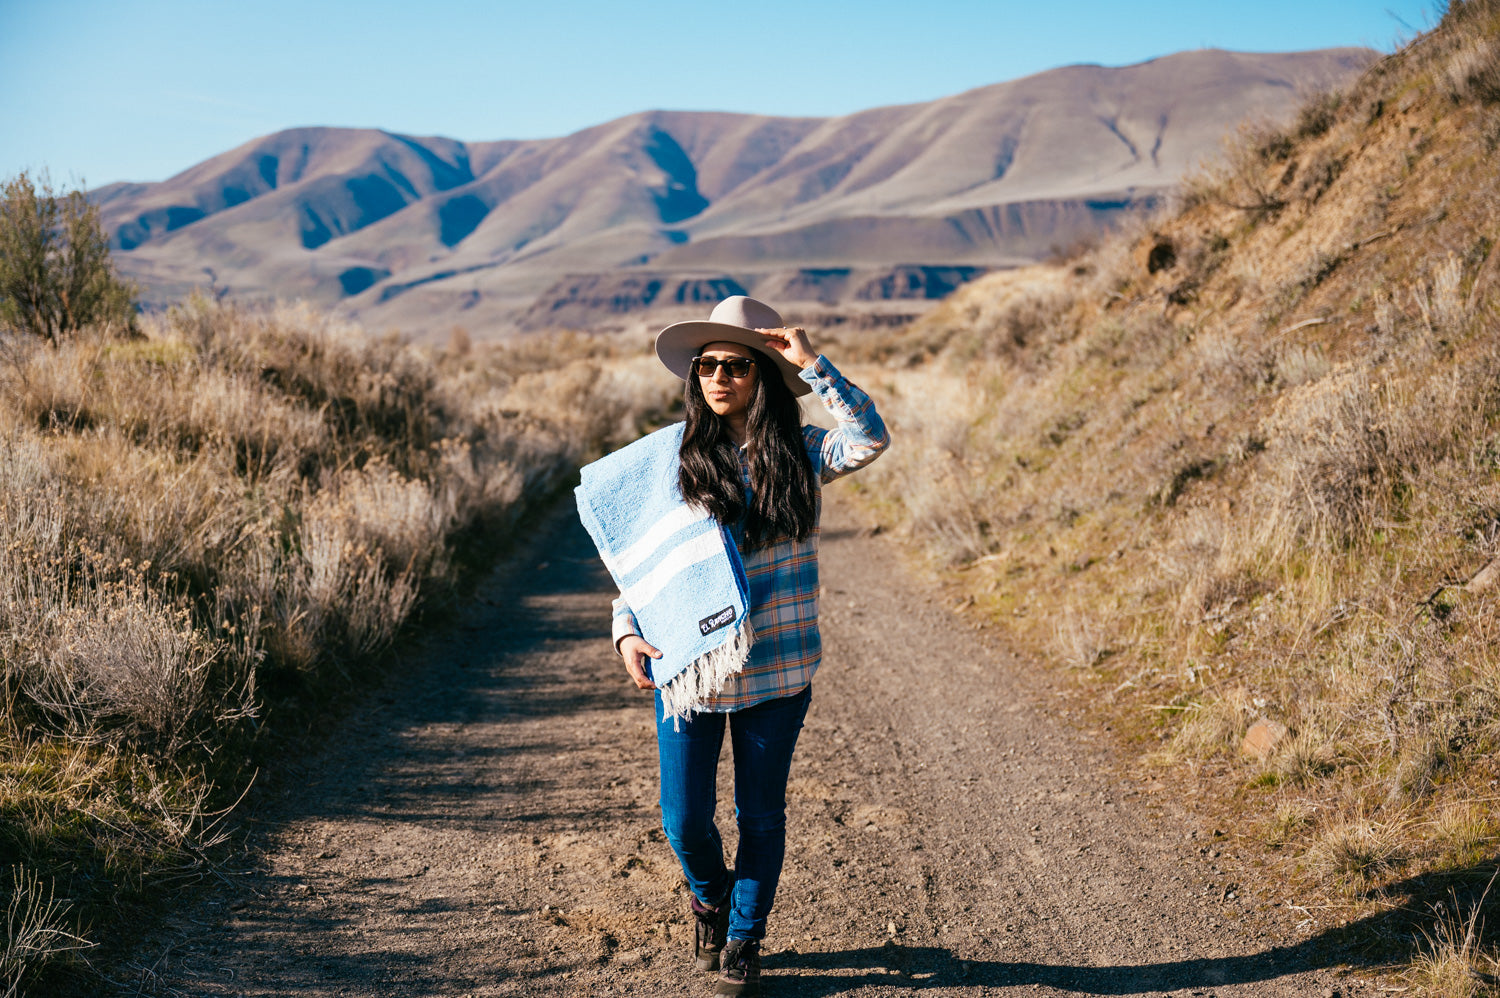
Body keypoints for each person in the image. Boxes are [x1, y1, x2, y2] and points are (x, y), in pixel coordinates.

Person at [607, 295, 889, 995]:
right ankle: (711, 900)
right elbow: (644, 562)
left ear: (763, 372)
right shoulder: (671, 457)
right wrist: (627, 629)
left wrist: (813, 365)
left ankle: (743, 938)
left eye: (737, 364)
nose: (719, 376)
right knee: (685, 821)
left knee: (759, 815)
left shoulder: (802, 450)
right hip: (688, 668)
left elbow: (869, 437)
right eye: (708, 364)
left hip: (777, 667)